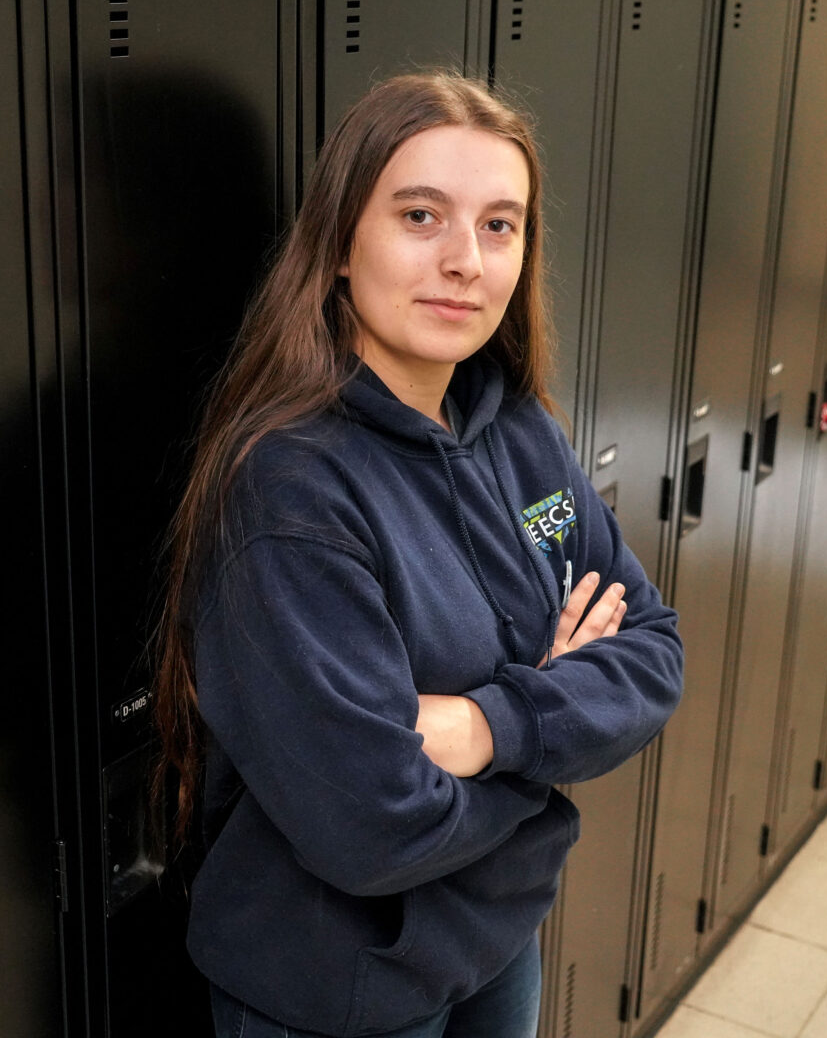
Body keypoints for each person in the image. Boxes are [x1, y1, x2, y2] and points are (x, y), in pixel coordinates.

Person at [152, 71, 683, 1038]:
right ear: (341, 244)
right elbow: (369, 822)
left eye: (498, 225)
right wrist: (555, 721)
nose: (465, 261)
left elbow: (652, 650)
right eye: (420, 215)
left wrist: (484, 729)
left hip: (493, 938)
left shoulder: (516, 429)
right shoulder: (291, 492)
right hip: (337, 988)